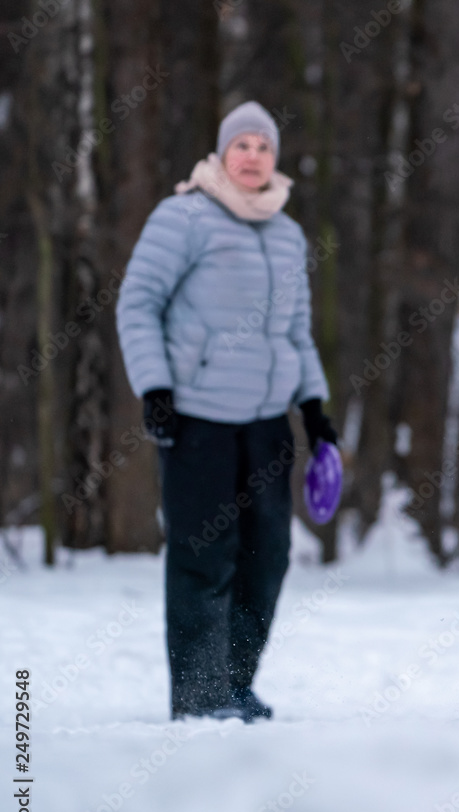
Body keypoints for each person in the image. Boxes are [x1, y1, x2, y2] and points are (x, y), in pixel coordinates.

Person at [116, 101, 339, 722]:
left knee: (266, 557)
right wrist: (155, 388)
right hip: (197, 421)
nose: (252, 156)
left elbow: (296, 334)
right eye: (241, 145)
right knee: (203, 557)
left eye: (263, 147)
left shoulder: (287, 234)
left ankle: (234, 685)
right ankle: (197, 697)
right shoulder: (183, 216)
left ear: (275, 159)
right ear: (221, 154)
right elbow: (137, 304)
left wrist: (314, 410)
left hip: (268, 426)